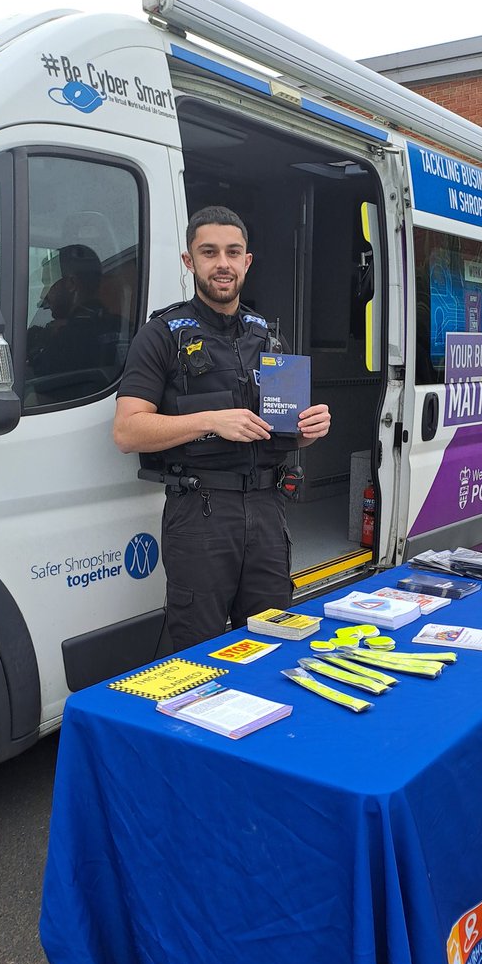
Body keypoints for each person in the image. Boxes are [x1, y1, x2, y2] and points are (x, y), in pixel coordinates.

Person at [113, 205, 331, 651]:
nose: (223, 264)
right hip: (201, 514)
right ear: (189, 262)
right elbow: (128, 431)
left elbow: (287, 433)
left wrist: (311, 428)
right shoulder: (161, 336)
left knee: (274, 641)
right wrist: (210, 421)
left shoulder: (267, 337)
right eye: (209, 252)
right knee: (199, 649)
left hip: (268, 512)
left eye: (233, 252)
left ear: (247, 261)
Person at [27, 243, 127, 379]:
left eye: (47, 283)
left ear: (71, 284)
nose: (42, 294)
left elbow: (31, 387)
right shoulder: (125, 328)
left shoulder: (66, 342)